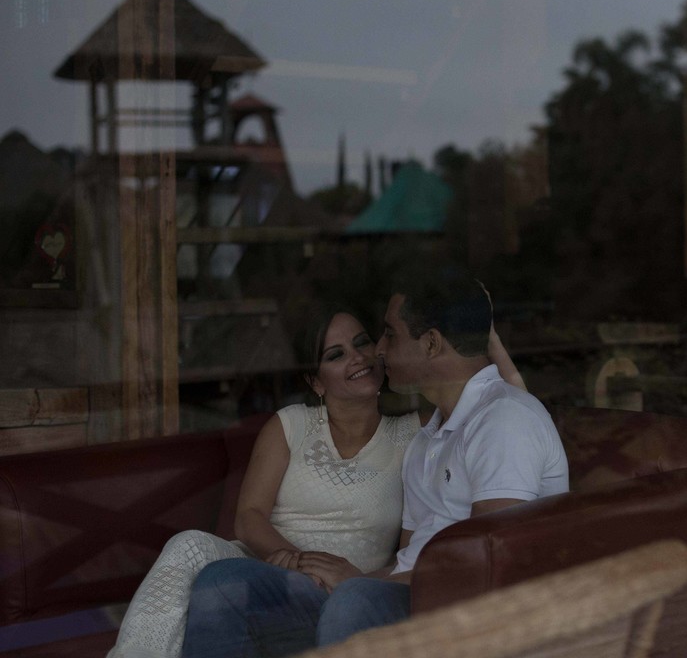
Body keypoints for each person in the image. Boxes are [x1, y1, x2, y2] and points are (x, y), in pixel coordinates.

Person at [182, 275, 568, 656]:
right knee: (222, 583)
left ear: (431, 343)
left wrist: (359, 584)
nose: (378, 350)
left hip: (462, 610)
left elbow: (488, 561)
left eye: (388, 334)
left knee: (353, 602)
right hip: (400, 593)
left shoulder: (504, 421)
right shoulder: (426, 440)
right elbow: (408, 556)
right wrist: (354, 578)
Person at [108, 306, 420, 658]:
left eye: (361, 343)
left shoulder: (415, 433)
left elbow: (409, 553)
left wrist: (356, 580)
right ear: (315, 381)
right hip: (271, 564)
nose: (357, 357)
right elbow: (250, 515)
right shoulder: (291, 424)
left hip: (348, 586)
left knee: (221, 585)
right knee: (187, 545)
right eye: (336, 354)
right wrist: (292, 559)